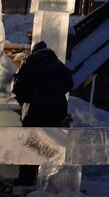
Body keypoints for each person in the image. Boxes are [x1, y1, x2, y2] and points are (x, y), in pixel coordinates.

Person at [12, 41, 75, 186]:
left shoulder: (29, 64)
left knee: (32, 144)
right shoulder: (59, 65)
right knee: (54, 143)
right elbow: (70, 84)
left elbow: (18, 88)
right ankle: (52, 179)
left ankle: (26, 179)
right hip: (57, 110)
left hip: (36, 110)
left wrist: (26, 100)